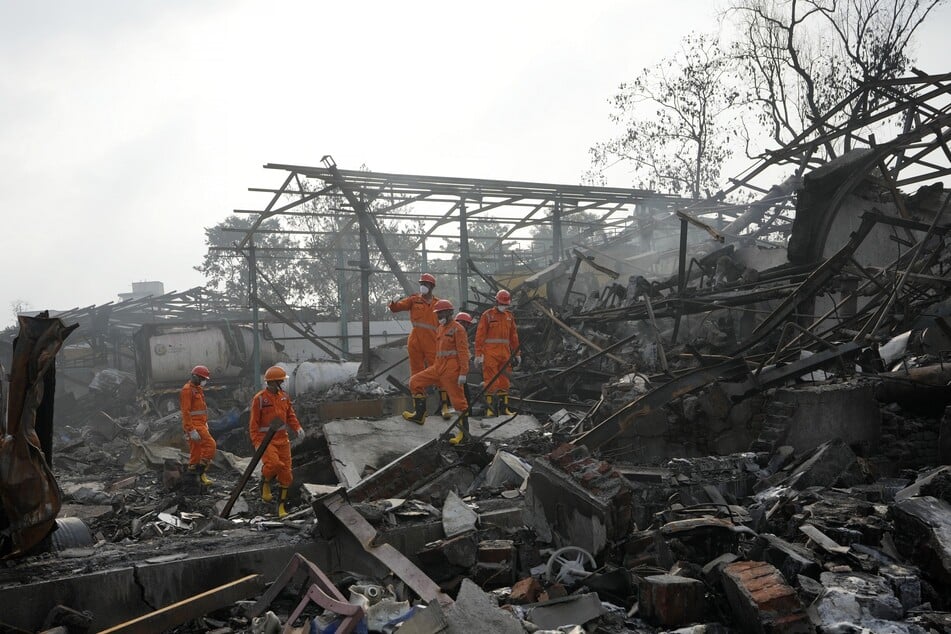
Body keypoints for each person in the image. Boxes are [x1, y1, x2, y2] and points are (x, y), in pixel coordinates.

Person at [402, 299, 470, 444]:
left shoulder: (458, 329)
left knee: (459, 403)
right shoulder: (440, 328)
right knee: (415, 382)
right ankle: (420, 415)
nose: (439, 316)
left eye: (441, 313)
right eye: (438, 313)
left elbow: (463, 352)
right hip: (437, 367)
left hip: (451, 371)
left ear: (450, 312)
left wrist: (463, 372)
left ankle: (464, 435)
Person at [388, 274, 453, 420]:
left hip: (433, 342)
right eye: (422, 283)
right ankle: (420, 412)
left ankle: (445, 407)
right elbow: (396, 308)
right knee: (416, 375)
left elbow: (448, 322)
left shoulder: (438, 304)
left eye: (426, 283)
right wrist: (393, 303)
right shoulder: (413, 300)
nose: (423, 285)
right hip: (415, 341)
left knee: (439, 372)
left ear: (431, 287)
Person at [249, 365, 304, 518]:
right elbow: (253, 424)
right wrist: (257, 442)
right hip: (266, 440)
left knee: (286, 474)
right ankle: (265, 482)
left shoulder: (284, 396)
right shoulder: (259, 399)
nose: (283, 383)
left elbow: (290, 415)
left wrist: (297, 428)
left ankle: (281, 507)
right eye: (281, 380)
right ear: (273, 382)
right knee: (274, 464)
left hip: (283, 440)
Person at [475, 289, 521, 417]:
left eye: (506, 304)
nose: (504, 306)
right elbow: (480, 336)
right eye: (502, 303)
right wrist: (478, 354)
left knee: (505, 382)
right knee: (490, 382)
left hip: (505, 354)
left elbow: (514, 336)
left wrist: (517, 353)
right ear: (496, 302)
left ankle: (504, 409)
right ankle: (490, 409)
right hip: (490, 354)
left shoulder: (509, 316)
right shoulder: (487, 315)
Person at [180, 365, 216, 487]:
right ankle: (200, 472)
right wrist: (190, 430)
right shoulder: (187, 390)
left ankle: (195, 478)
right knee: (211, 445)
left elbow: (200, 409)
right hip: (194, 425)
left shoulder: (197, 389)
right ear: (195, 376)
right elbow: (186, 411)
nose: (203, 381)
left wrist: (205, 421)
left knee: (196, 452)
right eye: (202, 378)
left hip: (200, 424)